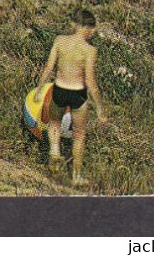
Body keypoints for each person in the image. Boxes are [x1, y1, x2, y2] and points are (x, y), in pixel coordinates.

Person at [37, 11, 108, 185]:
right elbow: (90, 81)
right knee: (79, 135)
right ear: (87, 27)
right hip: (78, 94)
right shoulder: (90, 50)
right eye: (92, 29)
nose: (92, 33)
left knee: (54, 123)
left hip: (59, 89)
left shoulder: (60, 40)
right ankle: (76, 177)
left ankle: (54, 151)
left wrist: (39, 89)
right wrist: (100, 108)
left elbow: (48, 67)